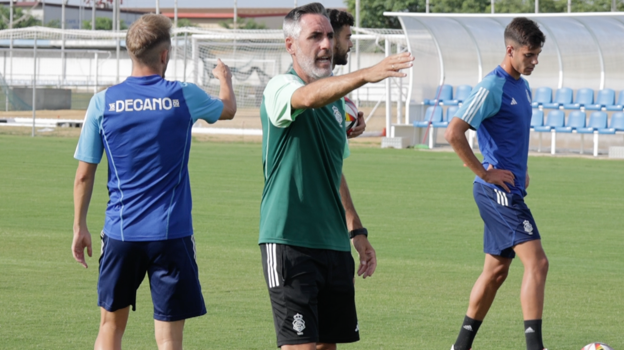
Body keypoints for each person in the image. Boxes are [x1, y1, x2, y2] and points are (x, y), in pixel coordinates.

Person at [71, 14, 236, 350]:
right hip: (171, 234)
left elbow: (84, 174)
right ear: (164, 55)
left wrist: (79, 226)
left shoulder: (102, 102)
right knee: (169, 338)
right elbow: (228, 109)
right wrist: (224, 79)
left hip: (121, 232)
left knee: (110, 327)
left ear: (131, 53)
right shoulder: (183, 95)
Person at [258, 3, 413, 349]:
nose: (326, 44)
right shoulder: (280, 87)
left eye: (329, 35)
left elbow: (334, 170)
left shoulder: (335, 104)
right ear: (291, 46)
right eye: (315, 36)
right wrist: (364, 75)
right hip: (289, 240)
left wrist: (356, 230)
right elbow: (306, 97)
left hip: (333, 244)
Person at [444, 17, 549, 350]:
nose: (534, 62)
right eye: (529, 55)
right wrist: (485, 172)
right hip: (496, 192)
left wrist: (522, 168)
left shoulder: (523, 85)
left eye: (537, 55)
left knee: (496, 272)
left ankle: (459, 346)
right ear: (510, 50)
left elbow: (510, 136)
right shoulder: (492, 86)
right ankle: (535, 347)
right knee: (538, 262)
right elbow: (454, 132)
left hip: (512, 188)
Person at [327, 8, 366, 139]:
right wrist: (367, 74)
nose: (351, 44)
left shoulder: (332, 85)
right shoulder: (299, 86)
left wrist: (348, 125)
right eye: (347, 38)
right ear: (332, 40)